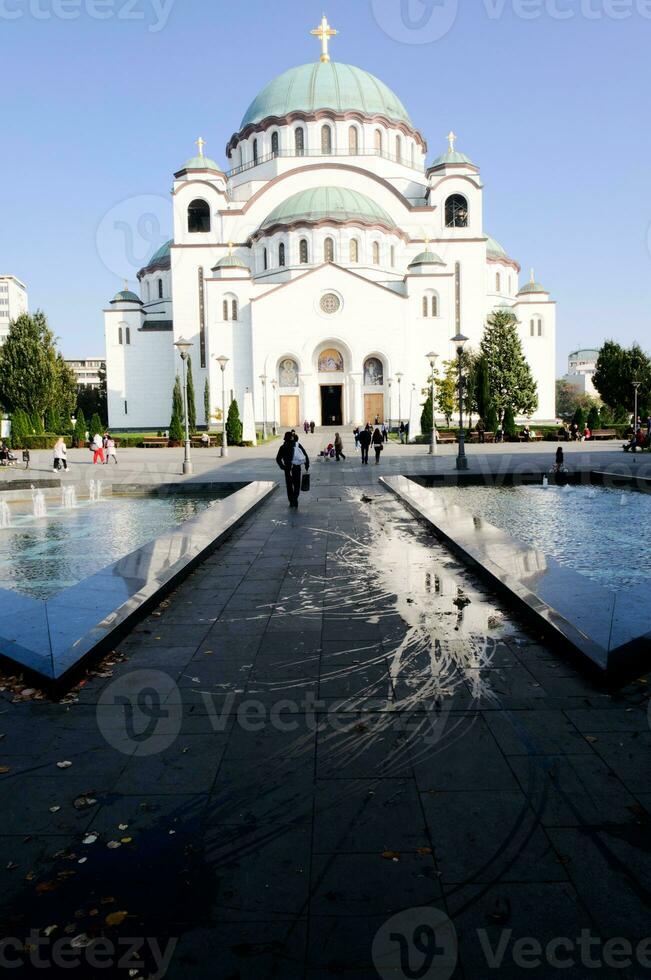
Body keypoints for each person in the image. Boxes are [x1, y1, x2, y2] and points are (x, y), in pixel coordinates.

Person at [276, 431, 310, 508]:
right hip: (296, 468)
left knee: (289, 485)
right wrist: (306, 465)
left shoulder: (282, 447)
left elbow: (278, 458)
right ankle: (295, 499)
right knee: (297, 485)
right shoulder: (297, 445)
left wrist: (282, 466)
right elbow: (305, 455)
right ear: (291, 437)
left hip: (287, 469)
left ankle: (291, 501)